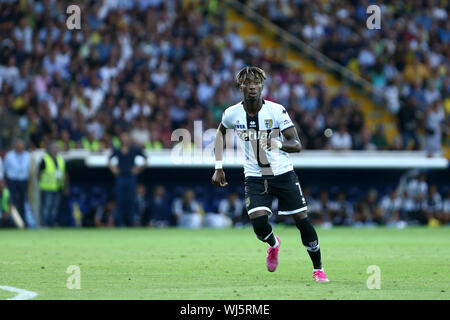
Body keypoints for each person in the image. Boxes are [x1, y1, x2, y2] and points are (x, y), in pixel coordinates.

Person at [211, 66, 329, 282]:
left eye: (256, 82)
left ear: (262, 86)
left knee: (302, 220)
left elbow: (296, 144)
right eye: (247, 83)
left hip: (282, 173)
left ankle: (318, 269)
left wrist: (276, 143)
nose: (252, 86)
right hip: (255, 174)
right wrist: (219, 166)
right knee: (258, 224)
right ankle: (274, 244)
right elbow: (220, 134)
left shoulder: (276, 111)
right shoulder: (232, 113)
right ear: (241, 87)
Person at [108, 132, 147, 227]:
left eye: (126, 137)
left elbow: (145, 158)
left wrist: (138, 169)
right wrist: (114, 169)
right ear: (120, 139)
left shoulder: (134, 150)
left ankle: (131, 223)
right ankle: (120, 223)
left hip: (131, 177)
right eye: (123, 137)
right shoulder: (117, 150)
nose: (125, 139)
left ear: (129, 139)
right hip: (120, 178)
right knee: (120, 201)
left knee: (131, 201)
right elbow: (109, 160)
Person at [4, 139, 31, 227]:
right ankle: (12, 222)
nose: (20, 147)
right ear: (15, 146)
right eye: (18, 145)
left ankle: (23, 221)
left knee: (23, 202)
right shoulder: (9, 155)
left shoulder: (27, 155)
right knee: (11, 201)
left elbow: (29, 169)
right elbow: (5, 169)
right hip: (12, 181)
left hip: (23, 181)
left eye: (22, 146)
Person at [38, 142, 66, 227]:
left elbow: (64, 173)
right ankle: (44, 224)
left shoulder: (61, 159)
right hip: (47, 187)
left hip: (58, 187)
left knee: (55, 208)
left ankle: (52, 224)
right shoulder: (45, 159)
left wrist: (64, 185)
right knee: (46, 207)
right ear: (50, 150)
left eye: (57, 148)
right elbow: (38, 173)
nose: (56, 150)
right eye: (55, 148)